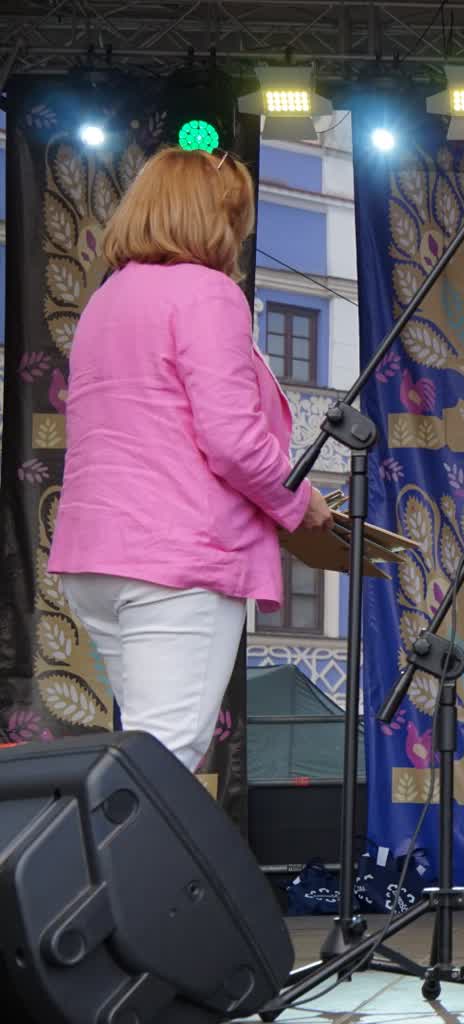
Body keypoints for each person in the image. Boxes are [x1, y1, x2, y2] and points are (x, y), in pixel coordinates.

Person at [49, 148, 333, 773]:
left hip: (98, 552)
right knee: (164, 763)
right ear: (213, 218)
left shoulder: (108, 299)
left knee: (143, 756)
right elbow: (231, 438)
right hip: (178, 556)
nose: (239, 235)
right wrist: (299, 500)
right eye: (236, 218)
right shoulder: (207, 294)